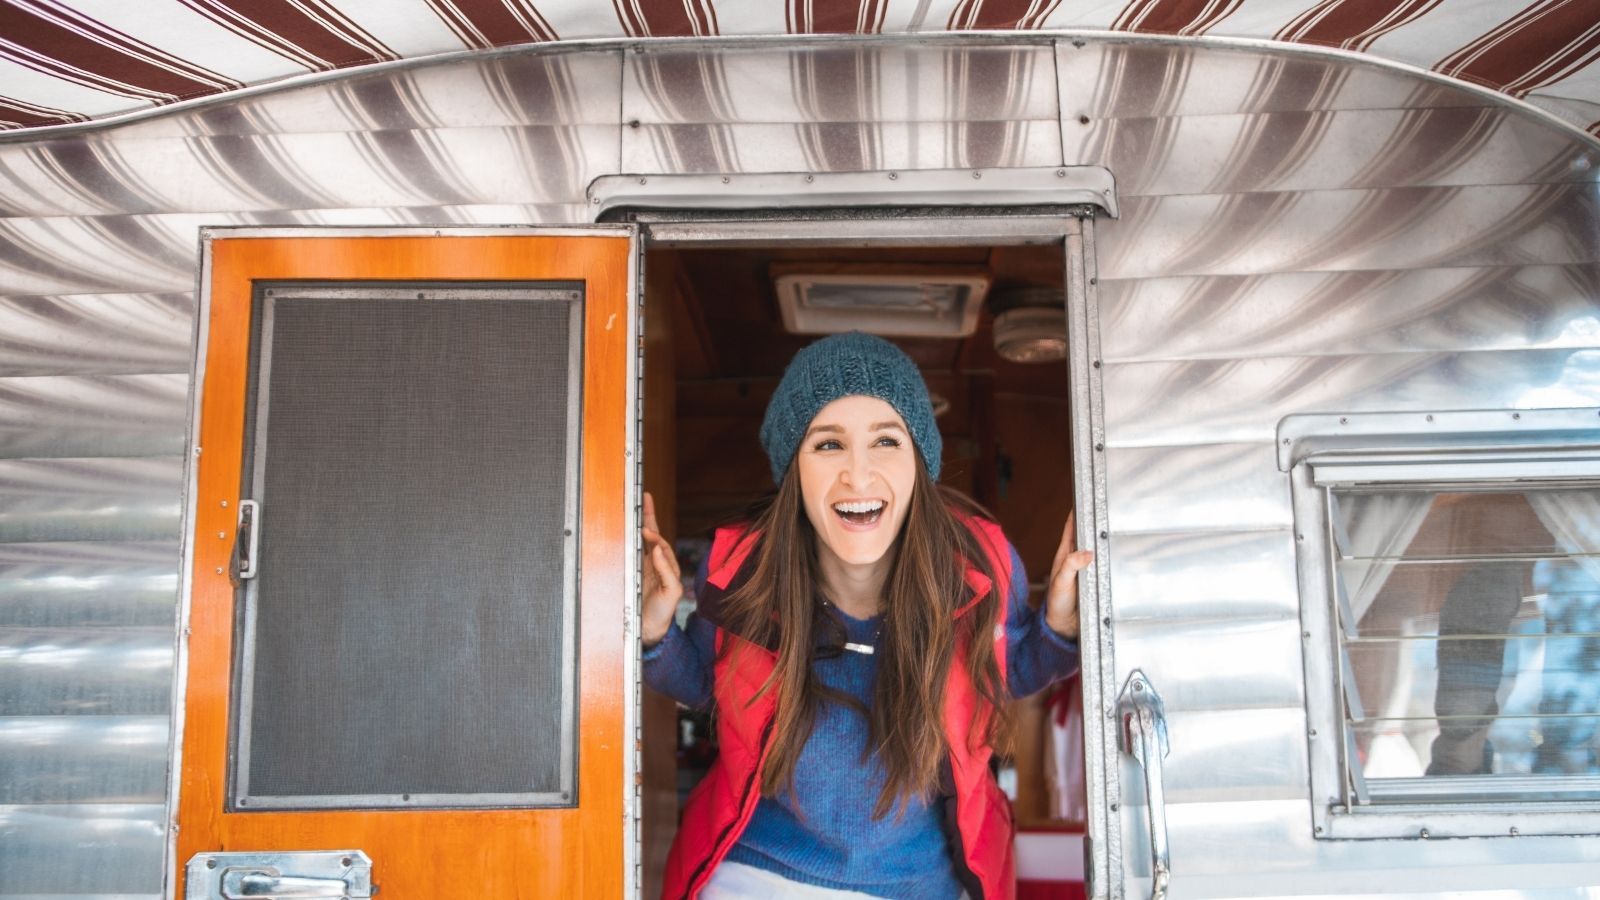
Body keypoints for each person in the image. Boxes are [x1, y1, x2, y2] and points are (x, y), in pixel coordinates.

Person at [641, 332, 1092, 900]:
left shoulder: (980, 565)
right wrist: (656, 634)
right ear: (793, 472)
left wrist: (1059, 631)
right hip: (759, 877)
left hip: (925, 885)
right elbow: (714, 686)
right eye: (828, 445)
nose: (858, 474)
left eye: (886, 440)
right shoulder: (743, 569)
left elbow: (1006, 668)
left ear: (918, 462)